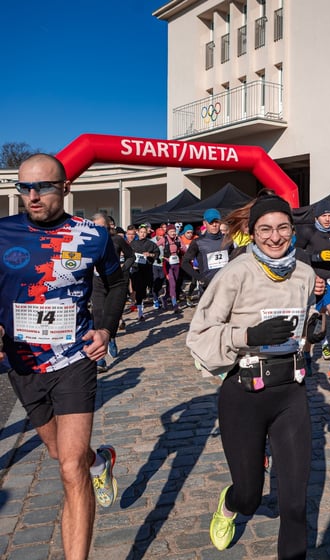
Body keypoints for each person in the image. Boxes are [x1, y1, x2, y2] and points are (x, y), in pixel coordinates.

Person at [0, 154, 126, 560]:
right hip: (22, 363)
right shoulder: (2, 232)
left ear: (65, 187)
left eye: (43, 187)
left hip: (74, 359)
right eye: (25, 188)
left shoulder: (92, 235)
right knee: (59, 453)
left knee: (69, 469)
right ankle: (100, 461)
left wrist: (105, 328)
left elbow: (117, 280)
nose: (32, 196)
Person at [187, 192, 324, 557]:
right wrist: (246, 337)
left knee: (294, 503)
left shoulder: (306, 274)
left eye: (282, 228)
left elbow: (304, 328)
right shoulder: (235, 273)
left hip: (291, 393)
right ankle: (230, 505)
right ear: (252, 232)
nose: (275, 237)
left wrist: (315, 330)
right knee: (249, 494)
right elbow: (198, 335)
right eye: (265, 229)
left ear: (293, 231)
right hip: (244, 393)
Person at [296, 200, 330, 384]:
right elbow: (296, 254)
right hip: (314, 283)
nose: (327, 219)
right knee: (313, 326)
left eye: (329, 216)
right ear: (317, 216)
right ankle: (307, 357)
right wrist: (316, 257)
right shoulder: (307, 232)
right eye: (324, 216)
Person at [91, 213, 135, 370]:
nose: (99, 230)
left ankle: (112, 337)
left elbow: (131, 257)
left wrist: (123, 269)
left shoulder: (117, 240)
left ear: (109, 227)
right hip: (97, 283)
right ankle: (100, 358)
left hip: (115, 282)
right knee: (97, 315)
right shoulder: (88, 241)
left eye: (102, 227)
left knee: (111, 315)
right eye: (95, 227)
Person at [181, 208, 229, 298]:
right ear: (204, 223)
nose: (214, 225)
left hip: (227, 286)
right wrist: (200, 278)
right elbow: (184, 263)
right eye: (211, 222)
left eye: (217, 222)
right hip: (208, 287)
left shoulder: (228, 240)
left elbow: (235, 260)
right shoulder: (198, 242)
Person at [129, 224, 160, 322]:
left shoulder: (150, 244)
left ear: (147, 233)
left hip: (146, 269)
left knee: (143, 289)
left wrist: (149, 254)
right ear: (137, 232)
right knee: (136, 288)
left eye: (144, 232)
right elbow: (128, 254)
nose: (142, 234)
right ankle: (139, 309)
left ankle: (140, 309)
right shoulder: (133, 243)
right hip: (135, 269)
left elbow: (157, 253)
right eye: (141, 232)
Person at [160, 223, 184, 312]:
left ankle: (165, 298)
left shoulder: (178, 239)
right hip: (167, 264)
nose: (173, 233)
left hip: (177, 264)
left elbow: (184, 249)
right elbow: (155, 246)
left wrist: (181, 248)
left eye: (174, 231)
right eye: (171, 231)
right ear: (167, 232)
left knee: (173, 284)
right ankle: (175, 305)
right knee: (172, 284)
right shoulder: (164, 239)